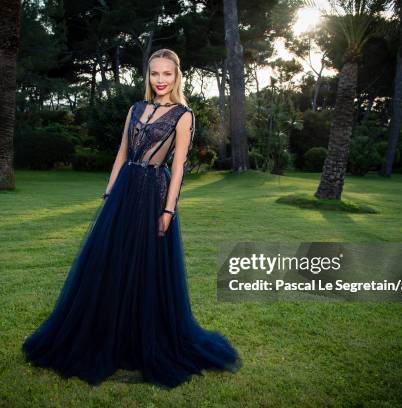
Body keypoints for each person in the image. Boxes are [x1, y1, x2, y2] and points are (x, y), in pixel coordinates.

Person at [22, 48, 242, 389]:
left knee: (145, 267)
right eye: (155, 74)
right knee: (110, 264)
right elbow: (122, 155)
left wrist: (168, 210)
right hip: (124, 191)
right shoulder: (135, 109)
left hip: (154, 193)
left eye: (167, 74)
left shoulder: (183, 115)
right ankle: (106, 334)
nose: (160, 80)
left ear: (176, 76)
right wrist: (109, 195)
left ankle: (141, 339)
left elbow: (179, 166)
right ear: (148, 76)